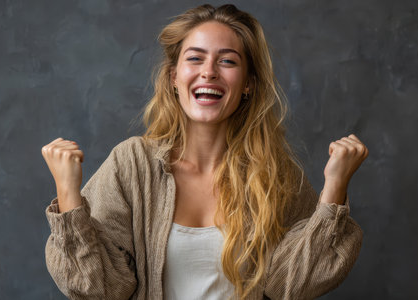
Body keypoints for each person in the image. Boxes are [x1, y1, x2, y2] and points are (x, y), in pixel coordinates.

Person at [41, 4, 368, 300]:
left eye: (227, 61)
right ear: (174, 77)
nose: (209, 71)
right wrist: (68, 194)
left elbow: (294, 285)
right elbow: (101, 289)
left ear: (248, 83)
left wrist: (334, 188)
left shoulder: (272, 174)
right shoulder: (132, 164)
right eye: (195, 58)